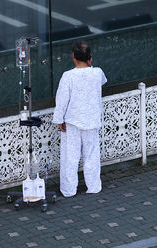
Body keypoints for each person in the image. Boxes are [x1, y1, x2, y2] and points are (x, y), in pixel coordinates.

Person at [52, 41, 107, 197]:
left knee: (70, 156)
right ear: (90, 57)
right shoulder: (97, 73)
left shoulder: (68, 76)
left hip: (72, 120)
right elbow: (101, 81)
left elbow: (61, 100)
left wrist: (59, 119)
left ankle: (69, 190)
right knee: (91, 155)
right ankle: (93, 186)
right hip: (91, 119)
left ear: (74, 57)